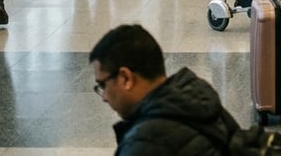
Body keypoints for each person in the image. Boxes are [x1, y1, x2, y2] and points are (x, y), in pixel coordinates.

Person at [90, 24, 236, 154]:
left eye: (103, 85)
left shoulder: (143, 144)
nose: (104, 98)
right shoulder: (198, 96)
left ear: (126, 78)